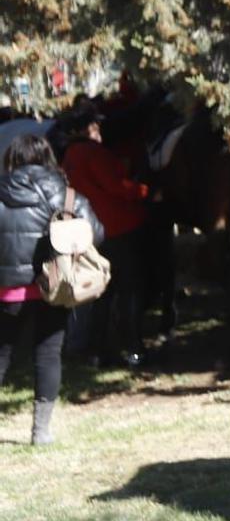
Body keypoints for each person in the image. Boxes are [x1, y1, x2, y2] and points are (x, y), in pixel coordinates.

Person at [0, 134, 103, 444]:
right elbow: (97, 233)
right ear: (48, 158)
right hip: (52, 288)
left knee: (1, 356)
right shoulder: (64, 195)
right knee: (47, 356)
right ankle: (40, 432)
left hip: (5, 291)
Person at [59, 103, 156, 366]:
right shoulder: (93, 153)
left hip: (92, 231)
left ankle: (97, 350)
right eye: (94, 126)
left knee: (102, 292)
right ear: (84, 129)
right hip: (118, 225)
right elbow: (116, 186)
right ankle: (133, 347)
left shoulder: (69, 156)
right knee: (130, 289)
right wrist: (145, 191)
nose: (99, 130)